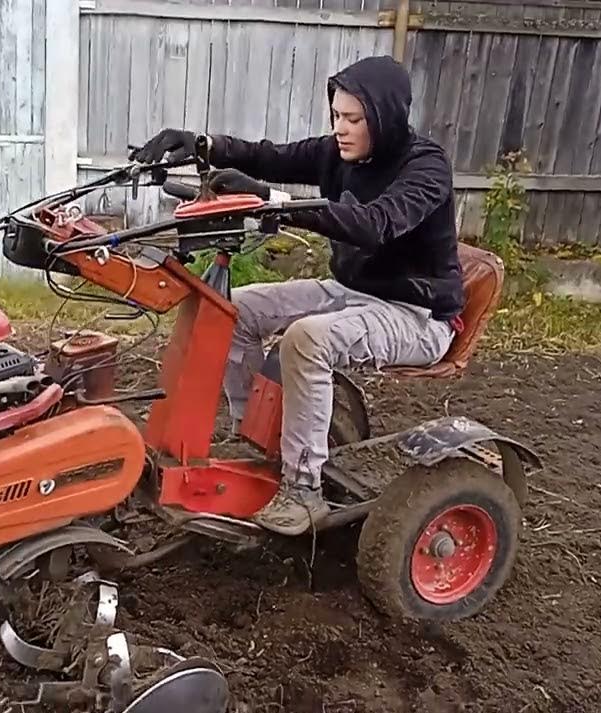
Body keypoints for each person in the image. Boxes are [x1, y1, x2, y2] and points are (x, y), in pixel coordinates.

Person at [131, 55, 465, 537]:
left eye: (354, 119)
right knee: (235, 309)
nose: (341, 129)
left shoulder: (425, 167)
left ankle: (303, 490)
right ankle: (258, 435)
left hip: (417, 314)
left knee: (307, 339)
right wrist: (203, 144)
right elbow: (270, 155)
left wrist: (273, 202)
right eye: (336, 116)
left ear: (385, 115)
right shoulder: (338, 152)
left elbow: (373, 224)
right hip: (350, 291)